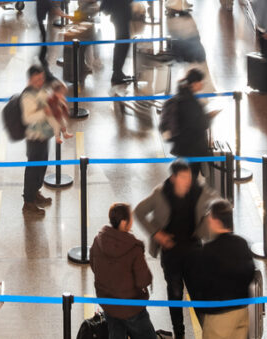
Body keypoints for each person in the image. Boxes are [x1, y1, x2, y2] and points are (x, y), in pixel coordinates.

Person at [134, 159, 219, 339]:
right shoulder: (160, 193)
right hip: (171, 253)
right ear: (173, 178)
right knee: (175, 294)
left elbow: (217, 203)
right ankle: (179, 333)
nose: (188, 181)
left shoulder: (198, 190)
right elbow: (139, 211)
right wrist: (156, 233)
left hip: (194, 251)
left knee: (198, 294)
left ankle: (209, 332)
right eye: (183, 177)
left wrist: (208, 225)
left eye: (189, 177)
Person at [190, 200, 256, 339]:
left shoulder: (208, 250)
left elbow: (199, 286)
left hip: (219, 318)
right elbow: (250, 273)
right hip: (242, 313)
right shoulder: (242, 243)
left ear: (216, 221)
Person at [90, 203, 157, 339]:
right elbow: (143, 280)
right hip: (131, 306)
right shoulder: (134, 248)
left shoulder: (98, 241)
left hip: (108, 302)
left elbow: (93, 265)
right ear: (124, 222)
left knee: (116, 333)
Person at [21, 66, 60, 216]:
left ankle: (35, 192)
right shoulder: (27, 96)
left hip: (43, 136)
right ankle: (28, 202)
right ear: (30, 79)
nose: (40, 82)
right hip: (34, 137)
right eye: (37, 79)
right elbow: (27, 118)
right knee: (33, 168)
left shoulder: (41, 91)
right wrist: (45, 111)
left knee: (42, 166)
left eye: (42, 78)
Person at [99, 0, 138, 85]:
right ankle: (117, 73)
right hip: (120, 16)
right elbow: (124, 0)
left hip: (118, 16)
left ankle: (118, 72)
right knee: (123, 44)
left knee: (122, 44)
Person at [167, 68, 213, 175]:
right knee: (190, 177)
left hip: (182, 147)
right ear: (195, 83)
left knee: (184, 175)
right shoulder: (190, 102)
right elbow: (199, 124)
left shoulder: (181, 95)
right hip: (191, 149)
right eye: (201, 81)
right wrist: (209, 116)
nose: (202, 84)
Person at [35, 0, 65, 67]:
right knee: (43, 36)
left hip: (40, 12)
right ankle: (42, 57)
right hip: (42, 13)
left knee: (43, 34)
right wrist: (63, 14)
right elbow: (51, 3)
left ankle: (42, 55)